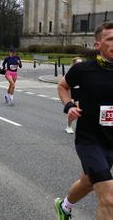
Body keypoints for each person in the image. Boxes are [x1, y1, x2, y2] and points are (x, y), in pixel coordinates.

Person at [55, 21, 113, 220]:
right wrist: (69, 106)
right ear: (97, 45)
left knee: (88, 182)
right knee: (109, 198)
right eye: (110, 39)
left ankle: (64, 206)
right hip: (90, 141)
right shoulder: (83, 70)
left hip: (110, 140)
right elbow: (62, 86)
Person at [65, 57, 82, 134]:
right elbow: (66, 87)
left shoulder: (85, 72)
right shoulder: (71, 73)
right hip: (73, 93)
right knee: (73, 111)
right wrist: (70, 98)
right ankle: (69, 126)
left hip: (81, 93)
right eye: (78, 63)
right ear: (74, 64)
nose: (80, 64)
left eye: (81, 63)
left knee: (81, 111)